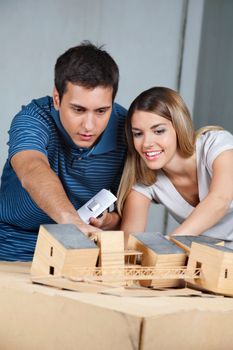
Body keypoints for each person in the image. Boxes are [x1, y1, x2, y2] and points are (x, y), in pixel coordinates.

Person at [0, 41, 127, 261]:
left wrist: (109, 221)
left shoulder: (127, 129)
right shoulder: (32, 118)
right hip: (12, 244)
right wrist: (73, 222)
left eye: (101, 111)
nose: (89, 125)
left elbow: (128, 210)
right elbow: (32, 167)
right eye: (78, 109)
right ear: (57, 99)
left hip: (81, 250)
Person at [117, 87, 233, 247]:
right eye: (138, 134)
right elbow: (128, 241)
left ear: (179, 127)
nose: (146, 144)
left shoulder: (216, 144)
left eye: (158, 131)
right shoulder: (143, 178)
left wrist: (167, 245)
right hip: (213, 260)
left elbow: (220, 200)